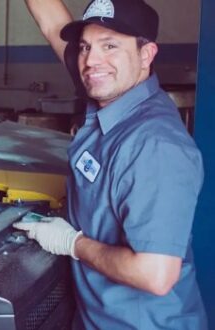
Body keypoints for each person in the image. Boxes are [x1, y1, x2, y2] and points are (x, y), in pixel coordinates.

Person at [15, 0, 208, 329]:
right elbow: (52, 25)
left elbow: (156, 275)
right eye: (86, 47)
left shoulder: (155, 147)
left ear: (146, 55)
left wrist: (72, 243)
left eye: (110, 46)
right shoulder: (112, 92)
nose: (91, 61)